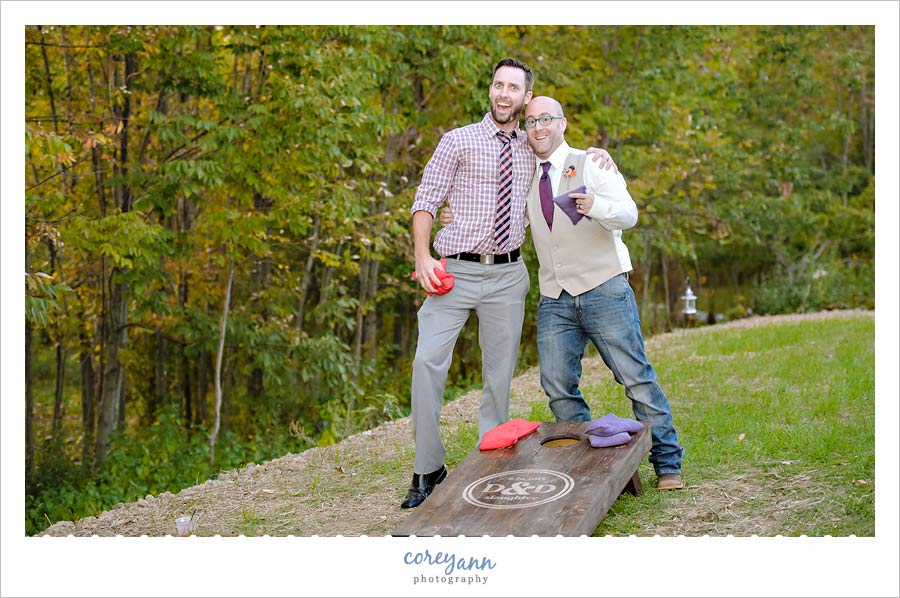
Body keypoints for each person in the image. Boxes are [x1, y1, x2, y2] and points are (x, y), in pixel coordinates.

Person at [441, 96, 685, 490]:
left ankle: (667, 463)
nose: (538, 127)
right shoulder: (523, 177)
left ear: (563, 123)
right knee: (556, 385)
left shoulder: (592, 163)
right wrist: (454, 215)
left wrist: (596, 205)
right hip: (555, 296)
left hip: (604, 288)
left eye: (546, 119)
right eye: (531, 120)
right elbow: (495, 217)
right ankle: (595, 468)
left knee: (635, 377)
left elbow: (629, 213)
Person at [402, 59, 615, 509]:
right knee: (426, 364)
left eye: (513, 88)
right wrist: (422, 257)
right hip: (453, 272)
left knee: (498, 378)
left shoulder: (531, 146)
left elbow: (564, 154)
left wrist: (597, 157)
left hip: (507, 276)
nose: (503, 94)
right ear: (490, 91)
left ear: (524, 97)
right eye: (498, 85)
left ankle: (489, 462)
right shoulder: (457, 140)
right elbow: (426, 201)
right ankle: (427, 467)